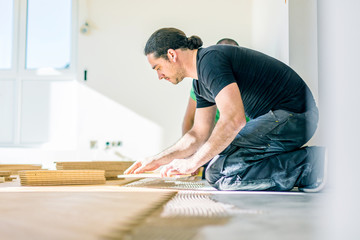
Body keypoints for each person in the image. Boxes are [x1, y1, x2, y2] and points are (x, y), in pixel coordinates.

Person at [125, 28, 326, 192]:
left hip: (296, 117)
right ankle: (304, 165)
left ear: (171, 55)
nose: (159, 76)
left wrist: (193, 162)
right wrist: (158, 160)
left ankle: (312, 165)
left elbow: (233, 120)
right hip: (282, 120)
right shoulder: (200, 83)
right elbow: (198, 134)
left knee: (219, 171)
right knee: (216, 169)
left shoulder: (210, 60)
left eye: (158, 67)